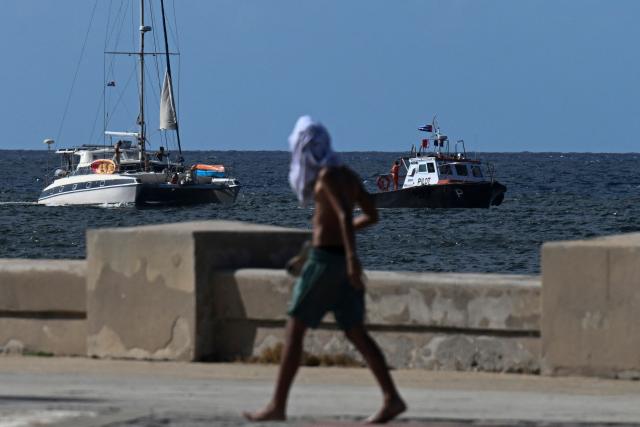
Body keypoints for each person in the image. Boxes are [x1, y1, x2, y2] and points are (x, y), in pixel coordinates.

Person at [244, 116, 406, 424]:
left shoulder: (326, 177)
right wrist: (345, 245)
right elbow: (371, 215)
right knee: (356, 332)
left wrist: (350, 260)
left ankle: (277, 405)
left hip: (325, 263)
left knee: (294, 331)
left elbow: (345, 215)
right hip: (337, 259)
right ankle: (392, 398)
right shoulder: (348, 175)